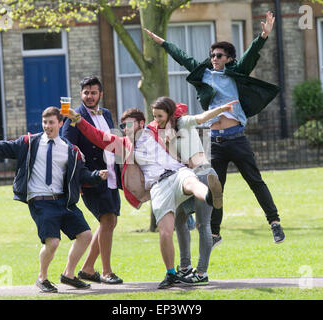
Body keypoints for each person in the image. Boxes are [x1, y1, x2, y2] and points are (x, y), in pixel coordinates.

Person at [144, 11, 285, 246]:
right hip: (215, 141)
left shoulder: (236, 72)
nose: (214, 58)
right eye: (212, 55)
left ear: (229, 58)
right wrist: (163, 43)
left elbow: (251, 55)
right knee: (215, 188)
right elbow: (183, 57)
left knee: (255, 181)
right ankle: (216, 232)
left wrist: (263, 35)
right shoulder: (204, 74)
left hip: (236, 138)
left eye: (219, 55)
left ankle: (275, 223)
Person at [64, 105, 223, 289]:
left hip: (177, 172)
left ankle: (210, 196)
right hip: (157, 185)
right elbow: (98, 137)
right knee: (165, 231)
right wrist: (79, 120)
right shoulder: (124, 144)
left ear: (141, 123)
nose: (125, 129)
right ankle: (171, 273)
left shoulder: (156, 129)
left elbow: (175, 110)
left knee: (190, 181)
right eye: (123, 126)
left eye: (129, 125)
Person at [0, 106, 108, 293]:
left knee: (85, 235)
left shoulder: (70, 150)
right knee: (53, 242)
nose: (47, 126)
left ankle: (69, 275)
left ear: (60, 123)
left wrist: (97, 175)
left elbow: (82, 175)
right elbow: (1, 147)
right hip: (40, 201)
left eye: (51, 122)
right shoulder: (29, 143)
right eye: (44, 122)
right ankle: (42, 278)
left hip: (64, 201)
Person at [148, 97, 236, 285]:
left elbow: (202, 118)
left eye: (160, 116)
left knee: (202, 225)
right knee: (180, 221)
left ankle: (202, 273)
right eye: (154, 116)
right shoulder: (165, 133)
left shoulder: (183, 122)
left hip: (203, 174)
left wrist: (221, 109)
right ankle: (185, 268)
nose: (156, 119)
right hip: (185, 179)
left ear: (170, 114)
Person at [62, 76, 124, 284]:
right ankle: (106, 271)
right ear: (81, 94)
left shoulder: (106, 114)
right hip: (91, 177)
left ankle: (88, 269)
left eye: (93, 92)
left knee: (110, 221)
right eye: (86, 93)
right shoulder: (73, 116)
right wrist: (77, 180)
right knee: (107, 219)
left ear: (100, 94)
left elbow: (113, 142)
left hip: (112, 175)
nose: (89, 96)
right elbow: (69, 150)